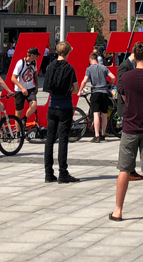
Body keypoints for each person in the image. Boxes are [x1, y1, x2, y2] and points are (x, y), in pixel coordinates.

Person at [111, 42, 143, 222]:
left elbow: (124, 97)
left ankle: (118, 210)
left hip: (130, 127)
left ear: (134, 55)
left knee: (124, 169)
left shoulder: (126, 77)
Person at [43, 41, 80, 184]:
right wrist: (69, 90)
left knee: (49, 139)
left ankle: (48, 173)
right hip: (65, 106)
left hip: (52, 106)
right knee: (63, 140)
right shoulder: (70, 68)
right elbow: (75, 89)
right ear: (68, 52)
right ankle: (63, 173)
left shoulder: (50, 66)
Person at [82, 51, 115, 142]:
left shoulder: (89, 69)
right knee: (104, 114)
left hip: (95, 93)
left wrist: (80, 91)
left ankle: (97, 136)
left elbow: (84, 81)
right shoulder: (104, 67)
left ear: (90, 60)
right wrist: (110, 85)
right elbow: (113, 77)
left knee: (96, 114)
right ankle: (103, 134)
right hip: (104, 93)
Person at [13, 47, 40, 122]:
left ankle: (24, 119)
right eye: (36, 55)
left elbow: (35, 75)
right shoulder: (21, 63)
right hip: (19, 90)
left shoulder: (34, 63)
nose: (37, 57)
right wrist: (22, 88)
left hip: (30, 88)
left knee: (34, 105)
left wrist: (36, 86)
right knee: (18, 112)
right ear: (32, 55)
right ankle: (19, 128)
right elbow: (13, 78)